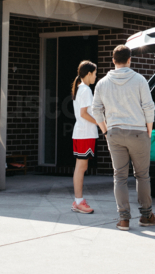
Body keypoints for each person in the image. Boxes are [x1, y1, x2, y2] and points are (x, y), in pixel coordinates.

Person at [90, 45, 155, 230]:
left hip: (114, 133)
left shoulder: (102, 83)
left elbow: (96, 109)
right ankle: (146, 216)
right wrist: (149, 131)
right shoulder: (139, 80)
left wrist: (105, 130)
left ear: (113, 60)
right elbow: (149, 107)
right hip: (138, 132)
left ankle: (123, 220)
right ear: (130, 59)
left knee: (119, 177)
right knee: (142, 176)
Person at [70, 60, 99, 214]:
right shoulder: (86, 90)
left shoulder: (82, 88)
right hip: (84, 134)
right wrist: (100, 123)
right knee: (81, 168)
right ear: (88, 74)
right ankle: (79, 201)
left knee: (81, 167)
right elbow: (83, 114)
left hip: (83, 133)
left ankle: (78, 200)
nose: (95, 77)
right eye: (95, 74)